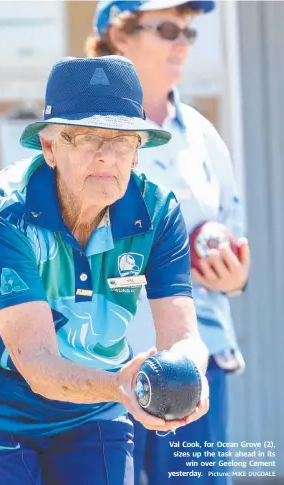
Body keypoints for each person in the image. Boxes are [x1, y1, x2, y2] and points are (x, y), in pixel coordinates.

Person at [0, 55, 209, 485]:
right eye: (86, 137)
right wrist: (120, 386)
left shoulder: (158, 212)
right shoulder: (2, 214)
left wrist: (189, 374)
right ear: (49, 148)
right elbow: (37, 361)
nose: (107, 156)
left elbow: (183, 337)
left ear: (139, 151)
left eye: (123, 139)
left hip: (91, 398)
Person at [86, 2, 250, 485]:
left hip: (195, 365)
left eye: (189, 32)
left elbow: (234, 235)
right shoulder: (83, 136)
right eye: (167, 29)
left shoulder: (201, 134)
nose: (182, 42)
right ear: (120, 35)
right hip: (107, 368)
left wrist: (235, 277)